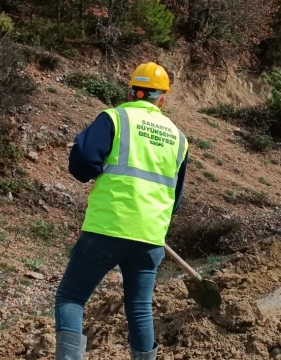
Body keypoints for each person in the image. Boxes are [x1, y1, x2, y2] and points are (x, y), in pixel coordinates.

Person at [54, 62, 188, 360]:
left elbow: (83, 163)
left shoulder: (115, 118)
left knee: (71, 298)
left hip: (107, 229)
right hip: (151, 235)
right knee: (139, 308)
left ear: (130, 91)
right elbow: (175, 199)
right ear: (162, 97)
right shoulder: (179, 138)